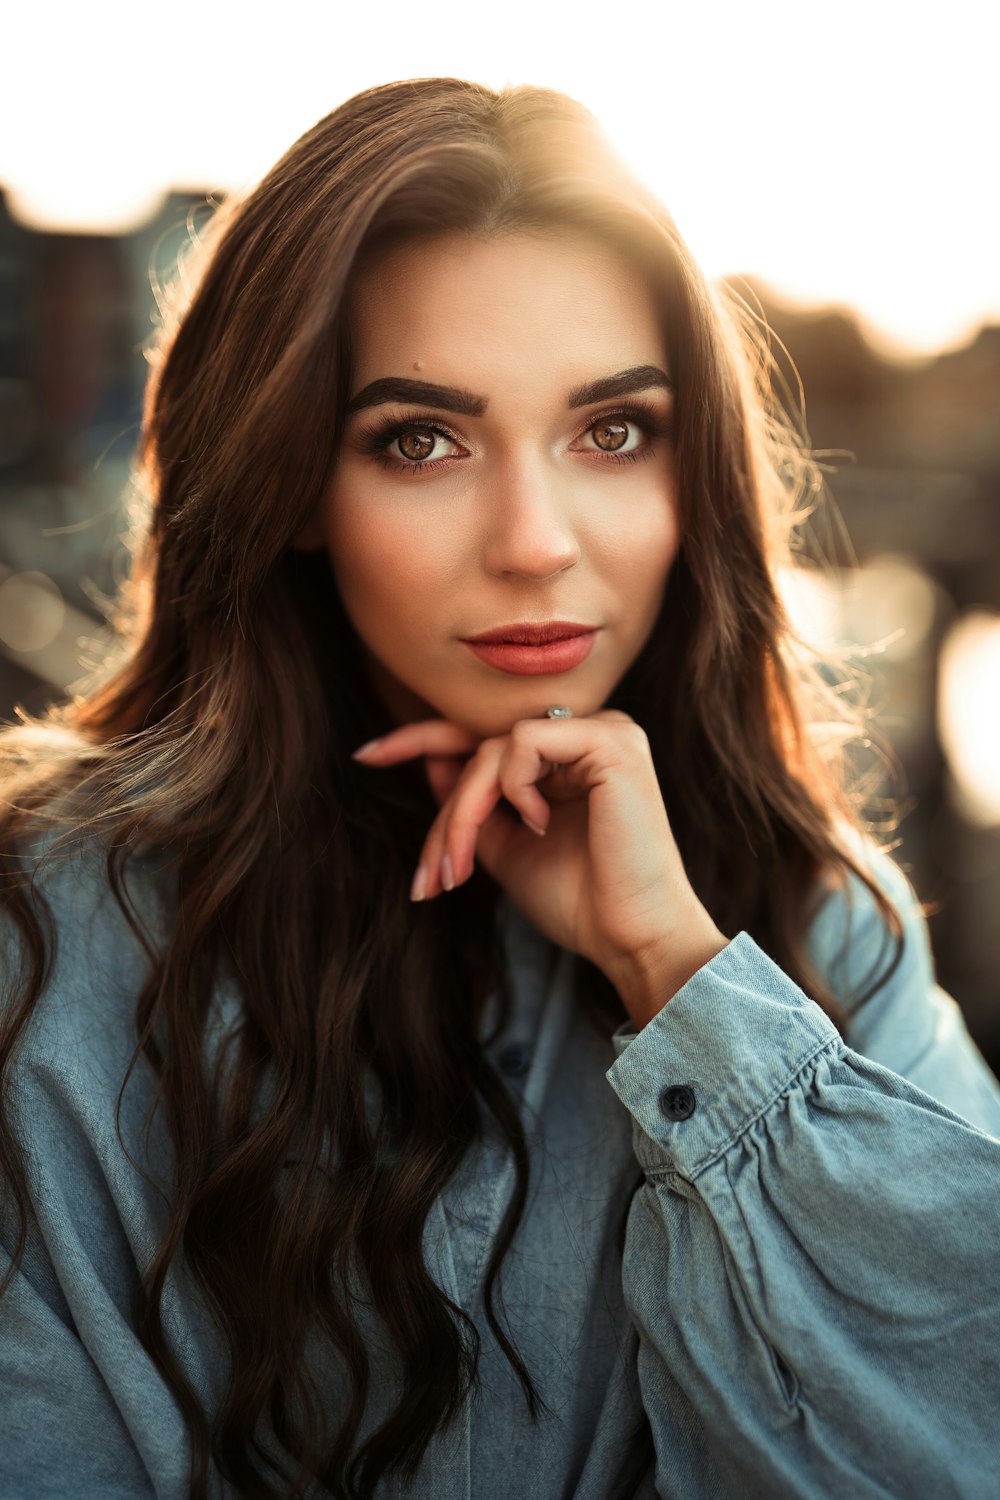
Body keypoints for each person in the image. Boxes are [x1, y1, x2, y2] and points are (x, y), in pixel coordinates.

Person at [1, 75, 998, 1500]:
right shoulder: (53, 940)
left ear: (692, 473)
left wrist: (680, 977)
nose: (536, 542)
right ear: (289, 485)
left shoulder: (820, 926)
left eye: (612, 432)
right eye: (421, 440)